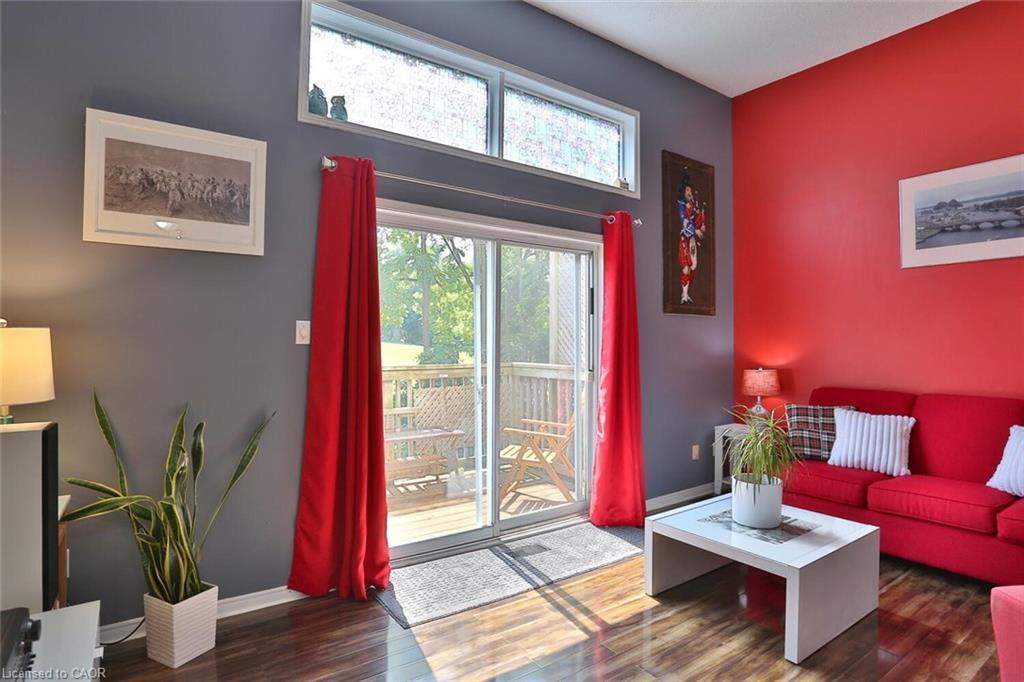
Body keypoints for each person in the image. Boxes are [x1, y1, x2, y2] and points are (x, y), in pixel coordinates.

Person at [677, 172, 707, 304]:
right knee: (686, 267)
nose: (689, 192)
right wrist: (694, 229)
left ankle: (686, 293)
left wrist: (701, 225)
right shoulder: (682, 205)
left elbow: (698, 217)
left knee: (693, 266)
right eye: (687, 190)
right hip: (685, 237)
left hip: (693, 239)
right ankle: (684, 295)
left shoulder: (694, 204)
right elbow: (684, 221)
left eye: (690, 190)